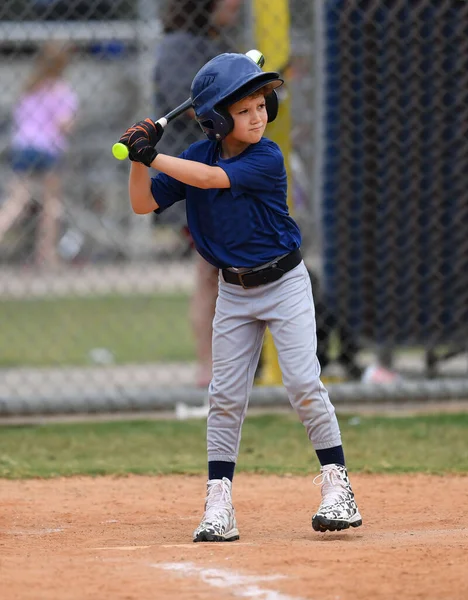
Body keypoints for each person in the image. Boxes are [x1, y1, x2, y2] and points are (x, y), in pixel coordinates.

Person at [117, 52, 362, 542]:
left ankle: (339, 488)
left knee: (302, 384)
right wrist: (139, 156)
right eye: (245, 109)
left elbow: (209, 181)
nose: (258, 116)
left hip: (285, 283)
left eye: (261, 105)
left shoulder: (265, 157)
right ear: (216, 119)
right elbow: (142, 202)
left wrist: (151, 154)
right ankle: (218, 502)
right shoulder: (192, 157)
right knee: (225, 398)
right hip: (234, 291)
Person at [153, 0, 242, 388]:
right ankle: (210, 369)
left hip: (221, 173)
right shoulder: (180, 46)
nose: (236, 5)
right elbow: (189, 106)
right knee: (212, 271)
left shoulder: (212, 41)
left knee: (221, 271)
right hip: (195, 175)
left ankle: (225, 367)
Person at [0, 41, 78, 268]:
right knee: (51, 204)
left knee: (16, 202)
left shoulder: (29, 88)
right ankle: (46, 255)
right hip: (48, 149)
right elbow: (65, 125)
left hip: (23, 147)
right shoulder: (61, 90)